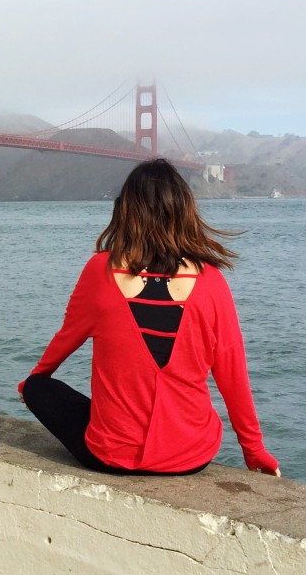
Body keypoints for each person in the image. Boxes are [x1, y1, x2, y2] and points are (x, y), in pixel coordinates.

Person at [19, 158, 280, 478]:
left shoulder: (99, 271)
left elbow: (67, 337)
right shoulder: (212, 281)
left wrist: (32, 381)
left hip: (111, 457)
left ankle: (114, 428)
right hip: (192, 457)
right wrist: (253, 449)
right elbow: (232, 372)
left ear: (124, 210)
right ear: (185, 211)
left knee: (39, 388)